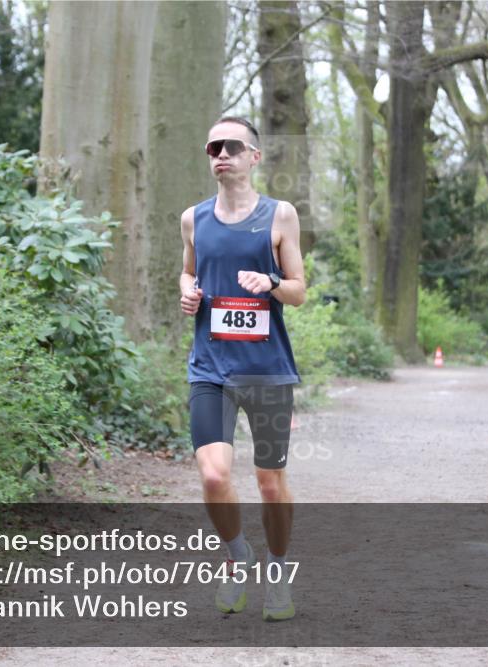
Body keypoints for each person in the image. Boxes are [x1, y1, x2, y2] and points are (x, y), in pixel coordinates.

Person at [178, 116, 306, 621]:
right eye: (213, 147)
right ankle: (238, 558)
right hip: (210, 367)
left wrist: (270, 283)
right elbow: (188, 269)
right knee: (213, 476)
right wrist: (187, 290)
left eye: (231, 146)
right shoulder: (193, 219)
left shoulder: (281, 216)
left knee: (270, 483)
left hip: (266, 370)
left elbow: (298, 290)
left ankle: (277, 573)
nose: (221, 154)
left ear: (254, 156)